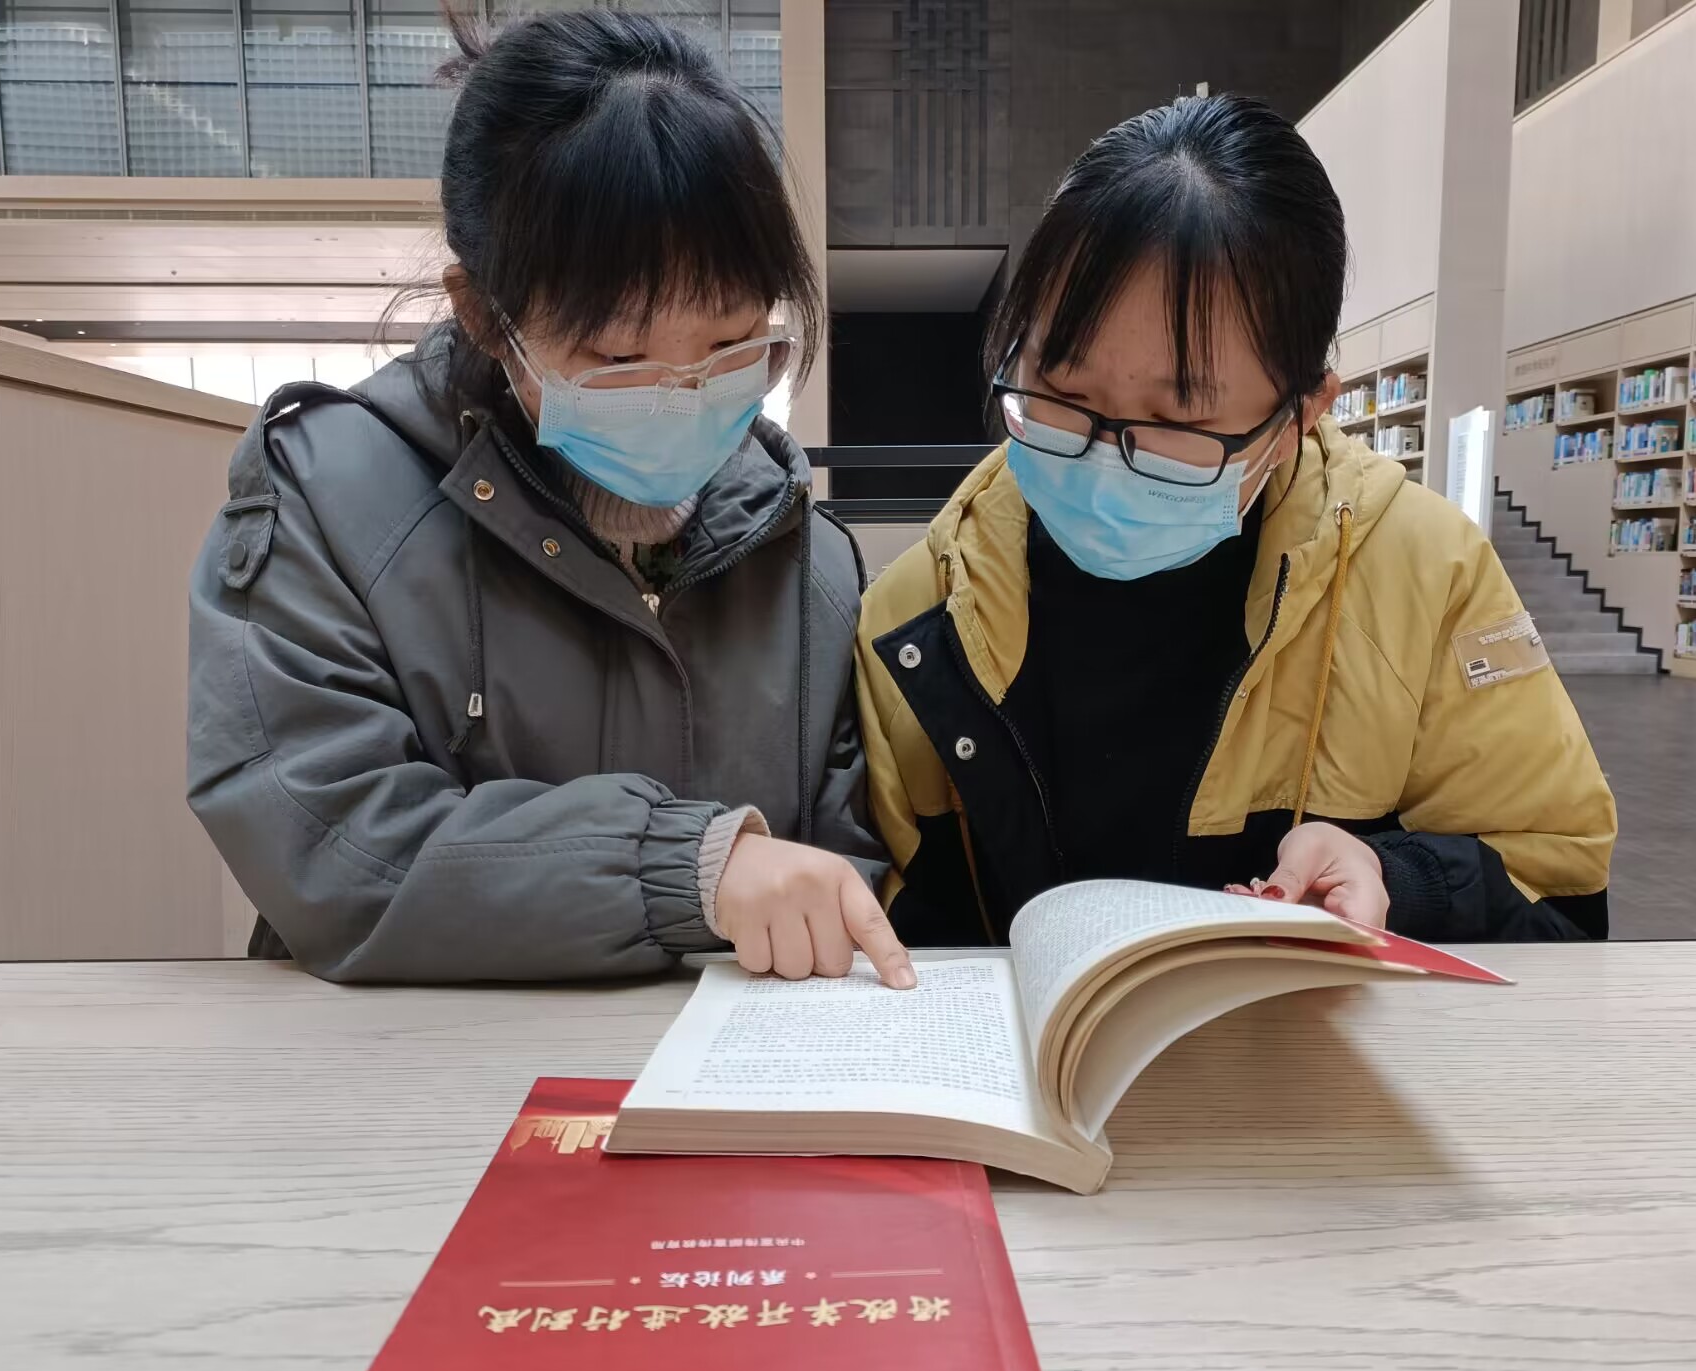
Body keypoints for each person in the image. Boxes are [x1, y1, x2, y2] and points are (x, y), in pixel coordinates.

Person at [187, 6, 912, 987]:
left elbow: (848, 858)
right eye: (617, 355)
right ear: (486, 316)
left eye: (734, 342)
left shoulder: (808, 559)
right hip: (411, 1062)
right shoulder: (326, 498)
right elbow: (331, 847)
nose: (683, 394)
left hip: (718, 1064)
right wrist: (686, 869)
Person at [854, 94, 1616, 946]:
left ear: (1303, 411)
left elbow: (1561, 900)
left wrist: (1397, 880)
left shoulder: (1423, 578)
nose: (1105, 459)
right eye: (1062, 391)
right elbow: (886, 911)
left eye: (1178, 419)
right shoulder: (919, 613)